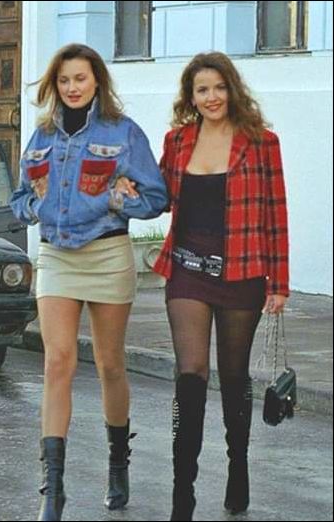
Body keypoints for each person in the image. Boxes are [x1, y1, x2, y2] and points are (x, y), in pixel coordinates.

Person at [10, 43, 168, 521]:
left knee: (109, 365)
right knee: (57, 361)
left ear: (97, 80)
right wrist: (35, 206)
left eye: (80, 78)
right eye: (64, 80)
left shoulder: (123, 132)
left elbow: (156, 197)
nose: (72, 87)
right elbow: (19, 198)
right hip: (57, 256)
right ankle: (52, 490)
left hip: (106, 255)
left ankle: (118, 464)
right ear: (54, 86)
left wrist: (120, 200)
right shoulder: (41, 136)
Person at [151, 52, 289, 521]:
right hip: (187, 270)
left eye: (218, 88)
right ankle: (182, 493)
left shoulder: (261, 142)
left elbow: (276, 214)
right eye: (202, 90)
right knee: (190, 375)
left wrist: (279, 283)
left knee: (233, 377)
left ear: (232, 89)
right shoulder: (177, 141)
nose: (211, 97)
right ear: (190, 97)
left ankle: (238, 465)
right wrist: (125, 190)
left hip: (242, 272)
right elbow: (159, 196)